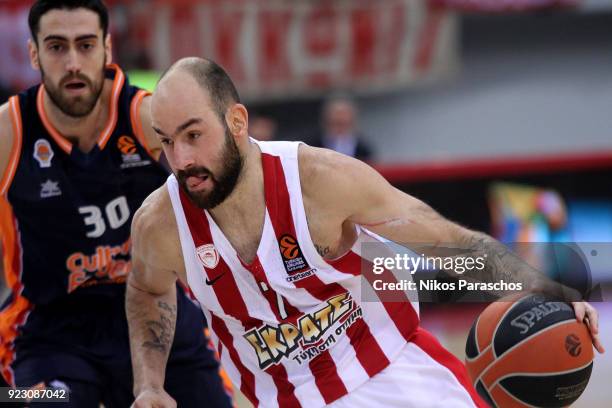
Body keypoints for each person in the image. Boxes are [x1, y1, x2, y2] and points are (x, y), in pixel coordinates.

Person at [127, 57, 604, 408]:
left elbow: (446, 242)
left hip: (395, 373)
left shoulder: (318, 181)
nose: (182, 159)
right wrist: (149, 383)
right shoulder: (161, 225)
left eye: (193, 135)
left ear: (236, 122)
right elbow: (147, 291)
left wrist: (544, 289)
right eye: (167, 142)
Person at [0, 2, 231, 407]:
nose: (73, 62)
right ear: (34, 53)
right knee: (20, 401)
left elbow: (248, 178)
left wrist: (381, 277)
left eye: (85, 45)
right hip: (51, 329)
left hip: (159, 312)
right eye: (56, 47)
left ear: (107, 48)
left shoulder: (148, 117)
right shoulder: (9, 133)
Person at [310, 95, 373, 161]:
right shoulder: (313, 146)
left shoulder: (363, 149)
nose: (340, 130)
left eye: (344, 124)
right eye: (336, 123)